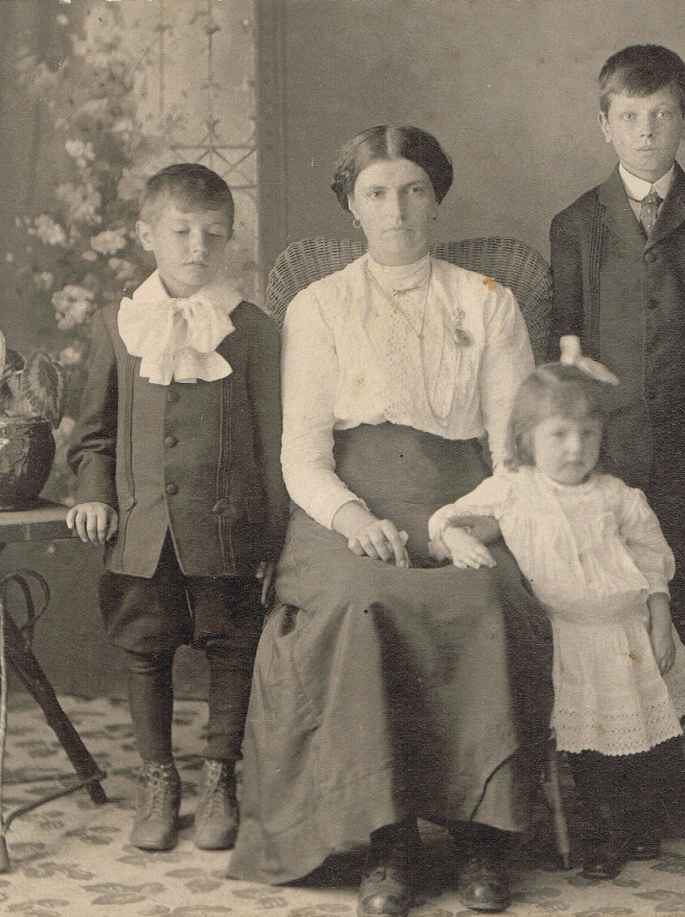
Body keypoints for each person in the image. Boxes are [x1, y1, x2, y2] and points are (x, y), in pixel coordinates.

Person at [225, 126, 549, 917]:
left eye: (412, 191)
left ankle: (483, 832)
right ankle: (388, 837)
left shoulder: (487, 301)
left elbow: (515, 451)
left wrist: (462, 520)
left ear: (436, 200)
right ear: (352, 205)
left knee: (486, 600)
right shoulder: (319, 305)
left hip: (465, 500)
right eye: (376, 193)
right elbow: (302, 455)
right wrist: (351, 514)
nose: (396, 209)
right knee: (361, 603)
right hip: (345, 507)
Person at [427, 339, 685, 882]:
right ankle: (605, 830)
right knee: (592, 747)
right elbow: (448, 517)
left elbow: (653, 563)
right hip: (569, 636)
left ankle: (638, 822)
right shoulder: (513, 490)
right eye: (558, 434)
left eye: (587, 434)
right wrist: (452, 538)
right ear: (526, 438)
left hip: (626, 630)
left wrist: (661, 619)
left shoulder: (618, 496)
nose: (575, 448)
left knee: (647, 737)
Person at [66, 162, 287, 853]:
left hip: (226, 526)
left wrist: (275, 537)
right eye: (181, 230)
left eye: (213, 234)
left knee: (230, 647)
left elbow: (275, 436)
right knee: (146, 648)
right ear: (147, 234)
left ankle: (221, 776)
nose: (197, 246)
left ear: (229, 241)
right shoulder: (119, 322)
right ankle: (159, 780)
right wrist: (95, 491)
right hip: (144, 528)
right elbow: (93, 432)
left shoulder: (250, 329)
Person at [549, 44, 685, 699]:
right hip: (611, 440)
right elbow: (566, 344)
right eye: (630, 115)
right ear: (604, 124)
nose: (646, 130)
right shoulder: (576, 224)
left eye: (662, 114)